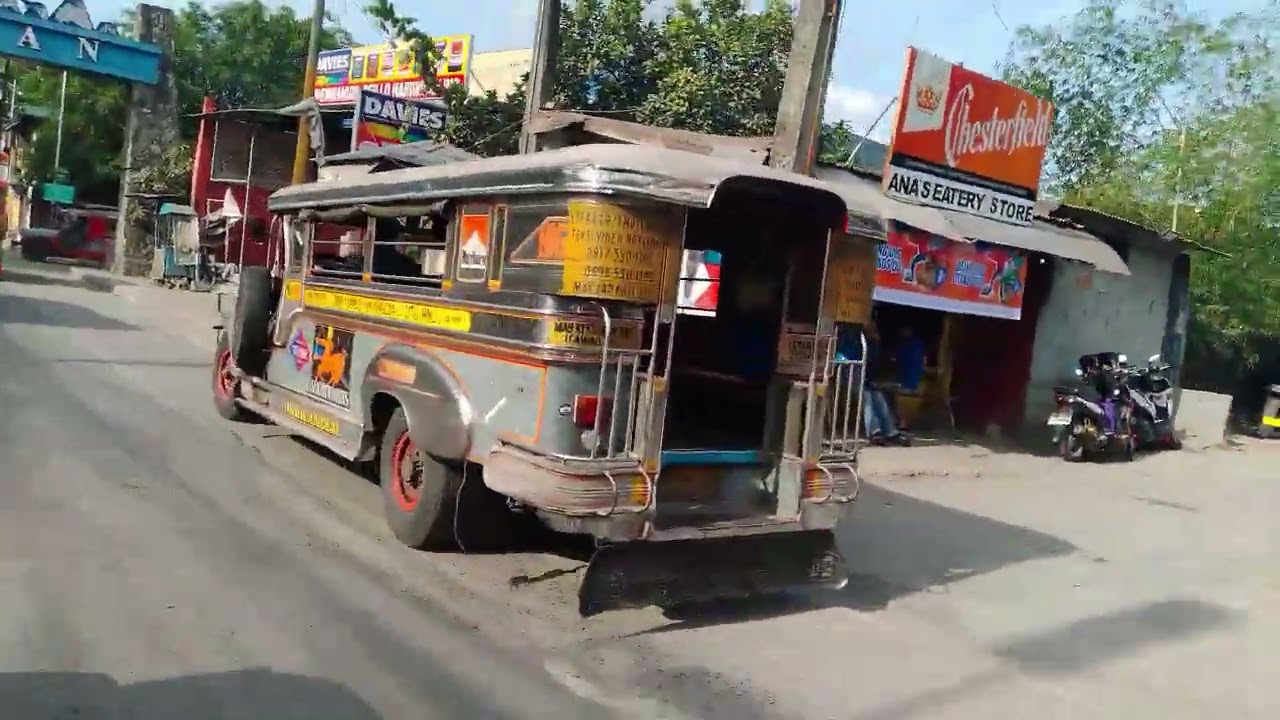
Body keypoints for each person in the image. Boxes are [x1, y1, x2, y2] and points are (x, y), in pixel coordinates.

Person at [835, 320, 908, 445]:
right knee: (867, 397)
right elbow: (842, 356)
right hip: (848, 375)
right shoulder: (849, 337)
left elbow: (870, 359)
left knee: (878, 396)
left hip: (863, 379)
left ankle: (890, 431)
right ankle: (874, 431)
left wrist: (874, 342)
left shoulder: (865, 342)